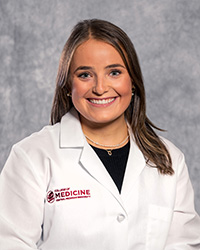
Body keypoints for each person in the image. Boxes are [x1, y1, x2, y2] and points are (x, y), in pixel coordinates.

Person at [0, 19, 199, 250]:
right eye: (85, 75)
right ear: (67, 86)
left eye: (114, 72)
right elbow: (9, 242)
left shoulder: (170, 159)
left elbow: (183, 245)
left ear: (132, 81)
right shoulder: (32, 156)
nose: (100, 88)